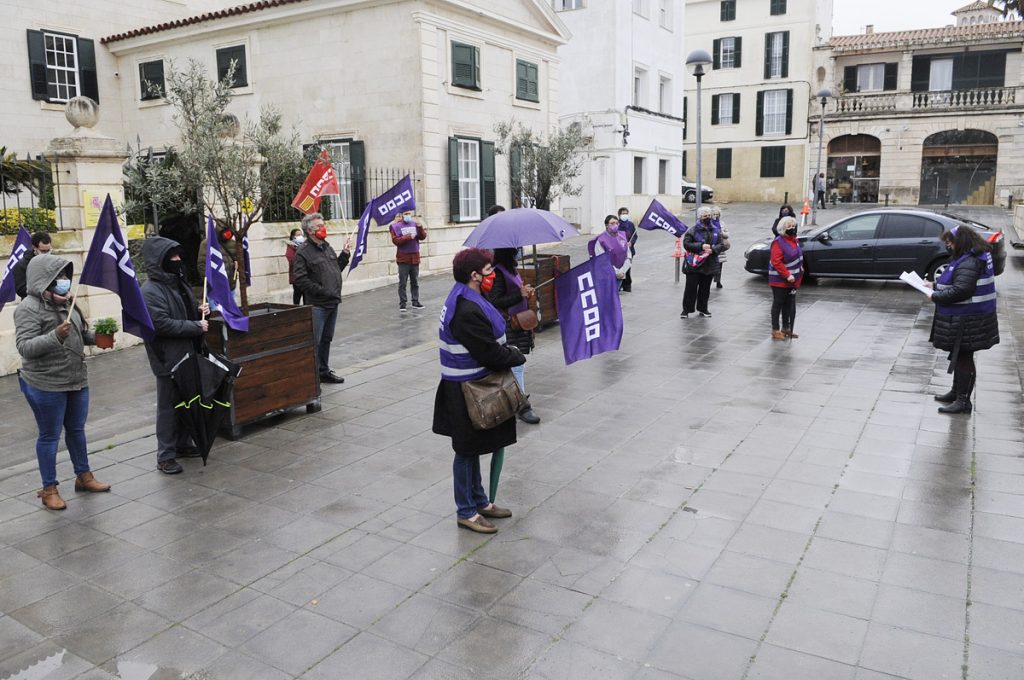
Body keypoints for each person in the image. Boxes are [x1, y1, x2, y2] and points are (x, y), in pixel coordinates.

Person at [433, 248, 525, 534]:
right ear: (474, 276)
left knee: (472, 449)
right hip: (465, 390)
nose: (492, 274)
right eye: (488, 270)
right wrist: (515, 354)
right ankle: (466, 511)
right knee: (465, 451)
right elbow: (488, 352)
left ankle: (481, 501)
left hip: (471, 385)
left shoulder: (469, 296)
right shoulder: (465, 308)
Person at [14, 254, 111, 509]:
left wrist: (96, 338)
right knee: (49, 436)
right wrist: (55, 336)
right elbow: (25, 347)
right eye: (58, 278)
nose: (64, 282)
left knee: (77, 430)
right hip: (45, 383)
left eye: (66, 276)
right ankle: (49, 489)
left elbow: (78, 333)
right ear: (42, 280)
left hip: (76, 379)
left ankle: (84, 476)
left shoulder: (69, 303)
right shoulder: (27, 309)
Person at [141, 237, 210, 475]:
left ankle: (182, 444)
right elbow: (161, 324)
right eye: (172, 257)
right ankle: (165, 455)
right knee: (168, 407)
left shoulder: (178, 283)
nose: (178, 260)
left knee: (186, 401)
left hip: (187, 353)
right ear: (159, 261)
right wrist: (195, 326)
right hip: (167, 357)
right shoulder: (150, 291)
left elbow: (185, 309)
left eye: (179, 255)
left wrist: (199, 310)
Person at [925, 227, 999, 415]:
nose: (948, 245)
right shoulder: (970, 256)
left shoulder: (970, 261)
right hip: (970, 316)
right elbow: (958, 282)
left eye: (950, 241)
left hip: (970, 318)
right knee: (959, 355)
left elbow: (962, 290)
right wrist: (934, 285)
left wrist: (935, 296)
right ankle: (956, 392)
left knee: (964, 357)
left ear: (962, 241)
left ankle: (963, 401)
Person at [293, 212, 352, 384]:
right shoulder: (303, 252)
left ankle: (323, 370)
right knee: (315, 341)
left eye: (323, 224)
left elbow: (335, 268)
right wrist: (321, 291)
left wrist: (345, 253)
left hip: (333, 302)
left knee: (327, 339)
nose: (323, 228)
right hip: (318, 305)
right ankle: (312, 375)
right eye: (319, 226)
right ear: (310, 231)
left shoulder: (326, 246)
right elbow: (300, 279)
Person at [487, 247, 540, 425]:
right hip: (508, 325)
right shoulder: (499, 273)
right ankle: (522, 405)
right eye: (516, 250)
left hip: (519, 324)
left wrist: (524, 291)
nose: (519, 252)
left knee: (516, 364)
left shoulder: (512, 269)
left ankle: (514, 401)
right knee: (516, 365)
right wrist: (519, 294)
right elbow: (494, 301)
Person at [681, 206, 729, 319]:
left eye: (709, 215)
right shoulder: (693, 230)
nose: (707, 217)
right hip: (694, 265)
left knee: (705, 289)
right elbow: (686, 244)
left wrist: (713, 249)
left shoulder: (716, 230)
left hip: (709, 264)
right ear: (700, 217)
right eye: (705, 216)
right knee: (690, 288)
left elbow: (723, 245)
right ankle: (686, 310)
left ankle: (703, 308)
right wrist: (701, 246)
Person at [768, 216, 803, 340]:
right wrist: (787, 275)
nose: (792, 228)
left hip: (793, 279)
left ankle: (786, 327)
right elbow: (776, 261)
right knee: (778, 303)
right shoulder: (778, 242)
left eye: (793, 226)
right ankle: (775, 329)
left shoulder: (794, 240)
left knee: (788, 304)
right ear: (783, 228)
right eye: (789, 226)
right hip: (779, 279)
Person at [391, 210, 427, 313]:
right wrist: (407, 237)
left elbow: (423, 237)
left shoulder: (415, 224)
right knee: (402, 282)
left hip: (414, 258)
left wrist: (420, 227)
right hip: (403, 259)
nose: (408, 216)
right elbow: (396, 241)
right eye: (406, 214)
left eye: (409, 214)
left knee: (415, 281)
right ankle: (403, 303)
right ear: (402, 215)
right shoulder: (396, 226)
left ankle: (415, 301)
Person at [589, 215, 631, 286]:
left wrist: (622, 271)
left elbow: (628, 256)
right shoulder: (601, 240)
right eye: (612, 223)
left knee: (615, 294)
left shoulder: (622, 237)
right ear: (606, 225)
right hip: (606, 275)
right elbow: (602, 260)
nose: (615, 225)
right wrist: (616, 272)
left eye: (617, 223)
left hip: (620, 274)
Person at [13, 232, 53, 300]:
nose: (46, 254)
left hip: (52, 302)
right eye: (43, 251)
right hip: (32, 304)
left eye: (48, 250)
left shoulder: (53, 260)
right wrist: (42, 290)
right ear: (34, 247)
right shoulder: (22, 265)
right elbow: (20, 290)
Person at [617, 207, 637, 292]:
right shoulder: (617, 225)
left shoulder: (631, 225)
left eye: (626, 213)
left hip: (629, 250)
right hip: (619, 251)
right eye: (623, 213)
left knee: (627, 267)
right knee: (620, 268)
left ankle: (627, 285)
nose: (624, 215)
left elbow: (635, 235)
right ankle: (619, 284)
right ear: (619, 215)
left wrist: (631, 242)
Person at [285, 228, 306, 305]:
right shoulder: (291, 246)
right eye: (298, 235)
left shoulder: (305, 245)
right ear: (293, 237)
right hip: (296, 276)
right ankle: (296, 310)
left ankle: (307, 312)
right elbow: (291, 260)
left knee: (306, 296)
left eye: (301, 234)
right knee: (297, 294)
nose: (300, 236)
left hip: (306, 276)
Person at [711, 207, 729, 289]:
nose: (715, 216)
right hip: (711, 246)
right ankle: (709, 280)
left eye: (717, 214)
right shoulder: (709, 223)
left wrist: (722, 233)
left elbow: (727, 234)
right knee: (710, 264)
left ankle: (718, 281)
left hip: (720, 247)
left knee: (719, 265)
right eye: (714, 214)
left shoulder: (722, 223)